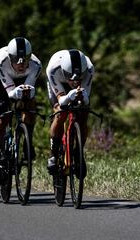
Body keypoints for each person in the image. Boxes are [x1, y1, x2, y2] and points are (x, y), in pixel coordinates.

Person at [0, 37, 42, 187]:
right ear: (9, 57)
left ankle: (27, 142)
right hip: (0, 83)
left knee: (30, 107)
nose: (21, 63)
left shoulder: (36, 65)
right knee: (0, 122)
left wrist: (26, 94)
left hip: (23, 82)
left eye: (24, 59)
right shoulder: (0, 61)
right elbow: (11, 93)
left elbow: (29, 90)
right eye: (16, 59)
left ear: (29, 57)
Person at [46, 49, 94, 179]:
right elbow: (61, 100)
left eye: (78, 77)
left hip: (78, 86)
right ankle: (53, 153)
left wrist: (83, 97)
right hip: (59, 84)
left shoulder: (89, 69)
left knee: (83, 114)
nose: (74, 81)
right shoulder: (53, 69)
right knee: (60, 114)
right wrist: (67, 97)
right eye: (71, 78)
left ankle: (78, 153)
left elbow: (86, 98)